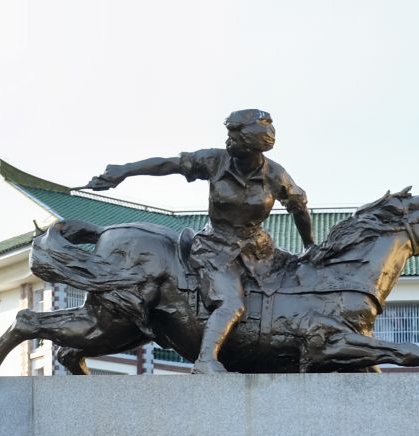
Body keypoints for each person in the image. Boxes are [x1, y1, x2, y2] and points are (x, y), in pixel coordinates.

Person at [82, 109, 315, 373]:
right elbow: (168, 165)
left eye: (235, 137)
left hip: (260, 251)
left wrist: (309, 246)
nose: (228, 141)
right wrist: (124, 170)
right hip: (216, 248)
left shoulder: (275, 174)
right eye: (228, 134)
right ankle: (206, 360)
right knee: (231, 304)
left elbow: (299, 208)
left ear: (252, 144)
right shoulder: (215, 160)